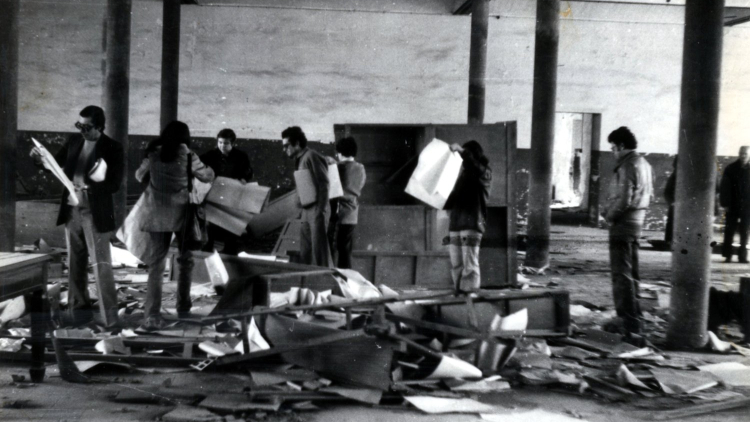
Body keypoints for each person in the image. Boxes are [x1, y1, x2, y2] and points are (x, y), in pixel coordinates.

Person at [30, 105, 123, 328]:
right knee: (75, 263)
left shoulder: (112, 147)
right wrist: (38, 159)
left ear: (100, 127)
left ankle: (110, 319)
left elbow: (114, 184)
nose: (82, 130)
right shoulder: (73, 141)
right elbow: (53, 165)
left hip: (95, 211)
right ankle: (78, 315)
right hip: (72, 210)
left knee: (101, 265)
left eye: (87, 127)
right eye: (79, 125)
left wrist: (89, 187)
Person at [135, 121, 214, 329]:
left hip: (155, 214)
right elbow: (206, 176)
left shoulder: (152, 152)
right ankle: (184, 307)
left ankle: (151, 315)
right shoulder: (188, 155)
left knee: (156, 266)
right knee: (185, 261)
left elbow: (139, 176)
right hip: (182, 215)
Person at [602, 127, 653, 339]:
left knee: (621, 274)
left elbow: (624, 198)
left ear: (621, 146)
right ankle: (635, 319)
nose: (613, 153)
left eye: (613, 148)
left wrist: (609, 216)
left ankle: (627, 323)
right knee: (632, 274)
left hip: (623, 224)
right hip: (637, 223)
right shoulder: (645, 164)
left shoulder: (627, 165)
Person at [444, 140, 492, 293]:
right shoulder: (464, 176)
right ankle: (459, 295)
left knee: (469, 265)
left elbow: (474, 166)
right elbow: (452, 199)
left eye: (467, 154)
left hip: (471, 224)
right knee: (457, 264)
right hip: (457, 224)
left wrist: (461, 150)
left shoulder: (484, 173)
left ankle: (469, 297)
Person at [282, 126, 332, 267]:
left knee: (320, 252)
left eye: (287, 146)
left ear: (297, 144)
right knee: (305, 251)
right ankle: (307, 283)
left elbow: (324, 184)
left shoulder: (311, 156)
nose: (284, 149)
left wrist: (320, 210)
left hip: (317, 210)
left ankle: (327, 283)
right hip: (307, 211)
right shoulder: (300, 158)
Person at [200, 128, 252, 255]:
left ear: (233, 143)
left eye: (226, 143)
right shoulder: (209, 155)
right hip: (213, 194)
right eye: (220, 142)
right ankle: (207, 249)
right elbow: (200, 171)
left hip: (232, 195)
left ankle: (229, 251)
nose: (222, 146)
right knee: (210, 225)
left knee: (231, 225)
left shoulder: (241, 156)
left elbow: (248, 171)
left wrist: (244, 178)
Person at [328, 137, 366, 269]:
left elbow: (333, 192)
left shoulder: (338, 168)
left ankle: (338, 280)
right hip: (352, 215)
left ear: (339, 153)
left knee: (335, 250)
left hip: (340, 215)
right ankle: (346, 280)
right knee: (345, 250)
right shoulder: (361, 168)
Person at [719, 146, 750, 263]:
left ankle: (742, 257)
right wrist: (725, 203)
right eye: (741, 154)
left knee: (745, 231)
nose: (743, 156)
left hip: (747, 206)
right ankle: (727, 255)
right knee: (729, 230)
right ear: (738, 154)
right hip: (732, 204)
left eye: (745, 154)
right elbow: (724, 187)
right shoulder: (731, 168)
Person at [663, 156, 677, 245]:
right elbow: (667, 192)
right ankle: (669, 241)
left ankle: (669, 241)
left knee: (671, 222)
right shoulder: (675, 175)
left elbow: (667, 192)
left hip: (675, 203)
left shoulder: (675, 174)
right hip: (676, 203)